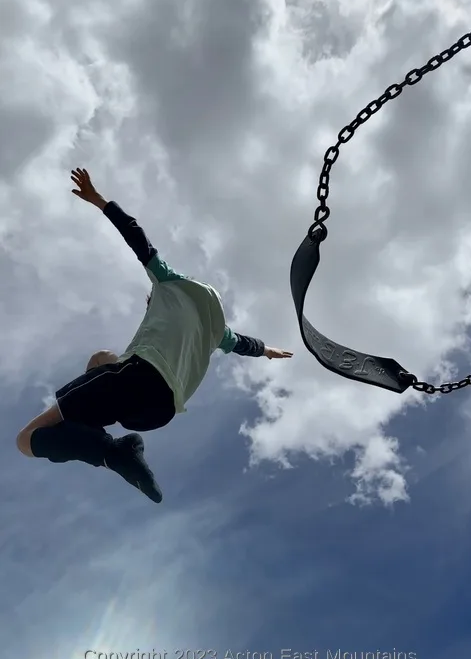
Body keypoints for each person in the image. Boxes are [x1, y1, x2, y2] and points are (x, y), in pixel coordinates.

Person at [16, 168, 293, 503]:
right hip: (158, 412)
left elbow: (136, 235)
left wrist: (98, 200)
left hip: (137, 378)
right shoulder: (217, 333)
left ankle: (113, 450)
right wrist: (268, 350)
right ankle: (109, 444)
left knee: (28, 438)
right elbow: (245, 344)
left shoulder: (168, 282)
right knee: (102, 358)